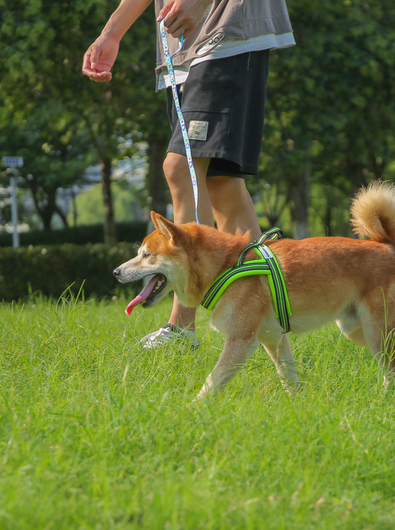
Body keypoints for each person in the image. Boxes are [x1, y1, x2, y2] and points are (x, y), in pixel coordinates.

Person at [82, 0, 294, 349]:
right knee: (220, 183)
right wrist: (112, 33)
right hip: (180, 46)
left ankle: (182, 328)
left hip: (225, 27)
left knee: (180, 167)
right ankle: (271, 318)